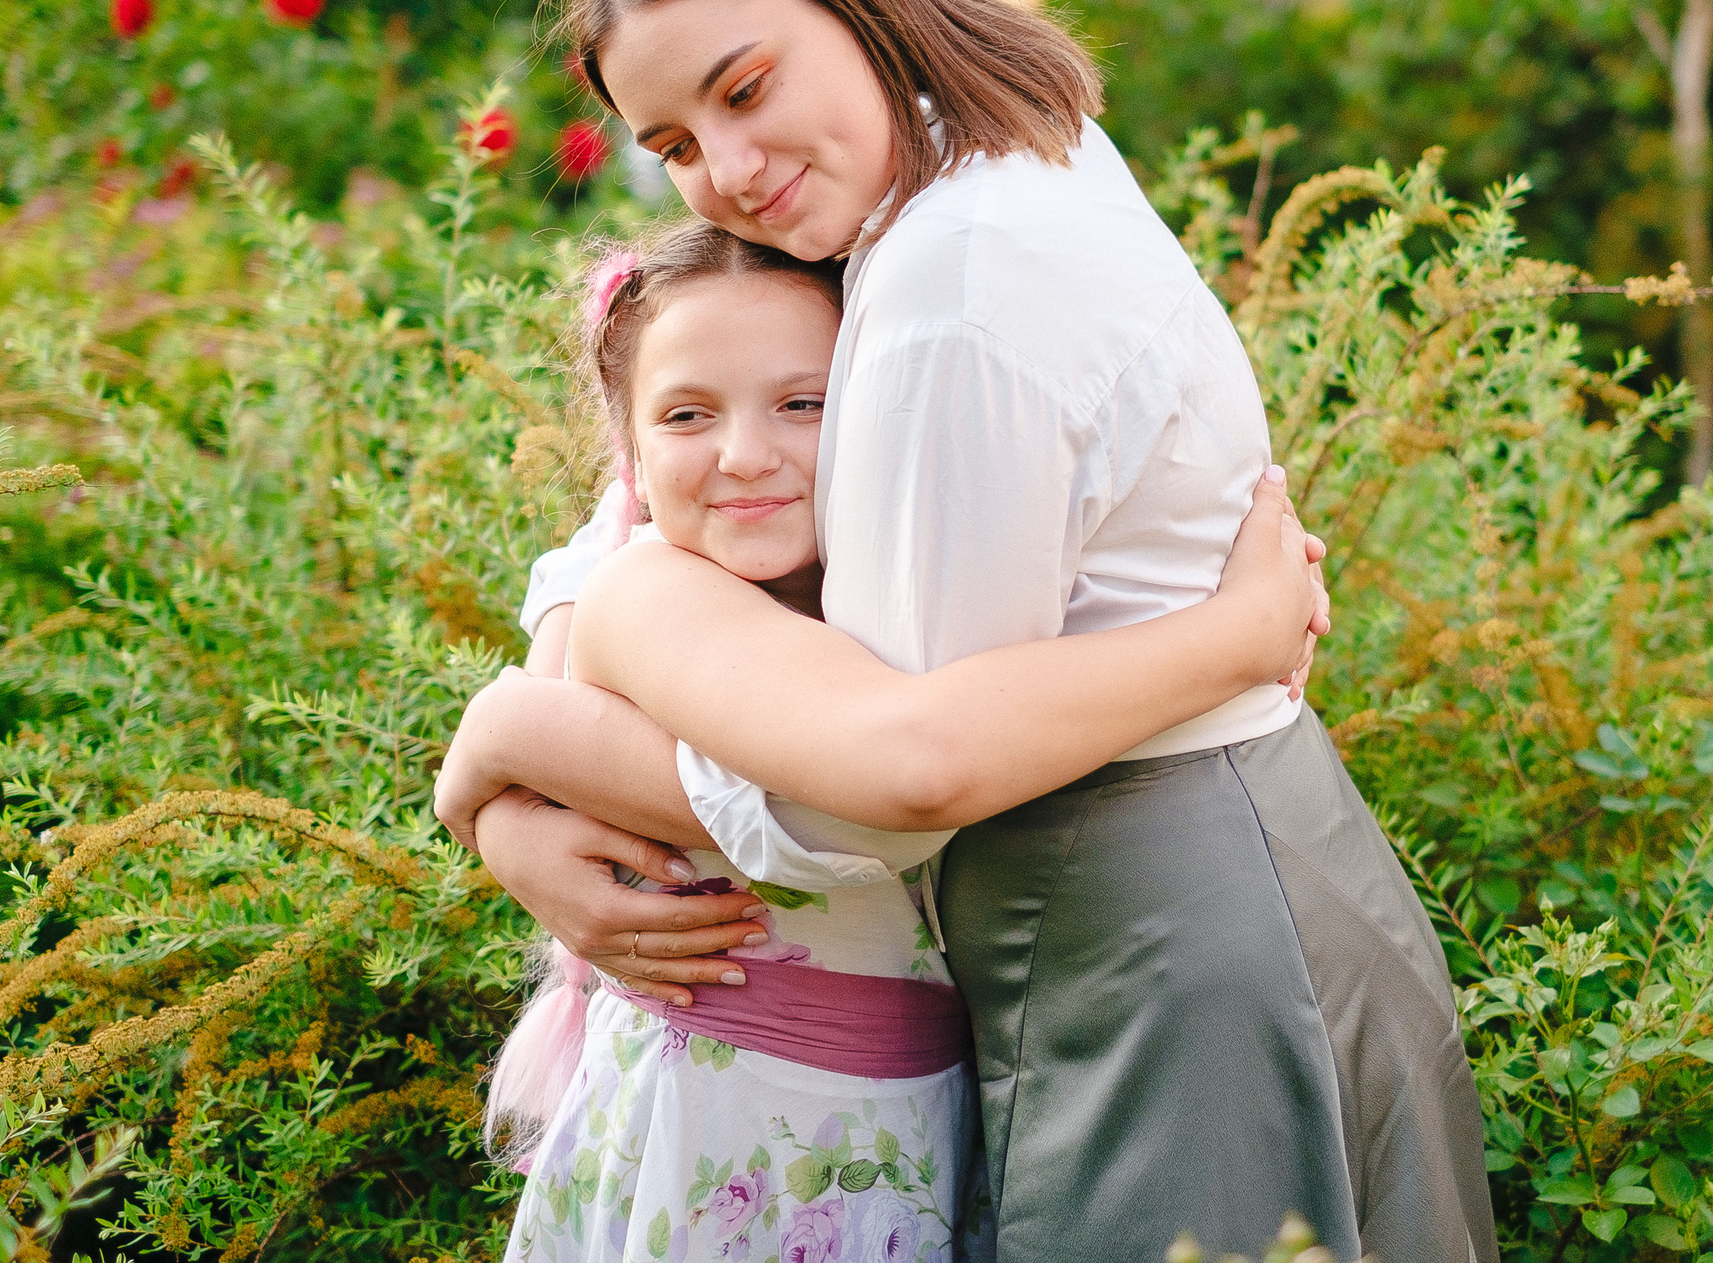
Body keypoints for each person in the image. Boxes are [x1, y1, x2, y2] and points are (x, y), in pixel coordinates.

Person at [444, 0, 1496, 1263]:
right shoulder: (952, 164)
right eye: (678, 143)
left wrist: (516, 737)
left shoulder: (952, 276)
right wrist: (510, 797)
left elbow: (886, 794)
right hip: (1194, 888)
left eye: (745, 88)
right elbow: (644, 486)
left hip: (1161, 923)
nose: (729, 172)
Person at [471, 216, 1322, 1262]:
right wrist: (1233, 640)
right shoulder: (653, 588)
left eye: (804, 403)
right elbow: (866, 800)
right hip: (726, 1148)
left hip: (912, 1133)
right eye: (688, 413)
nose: (745, 454)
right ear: (631, 449)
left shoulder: (903, 594)